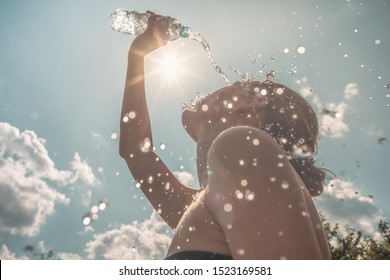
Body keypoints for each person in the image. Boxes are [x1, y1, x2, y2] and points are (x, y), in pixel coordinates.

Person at [119, 12, 331, 260]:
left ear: (254, 103)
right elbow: (135, 151)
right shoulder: (200, 206)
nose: (223, 86)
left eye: (239, 85)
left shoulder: (242, 145)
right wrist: (137, 56)